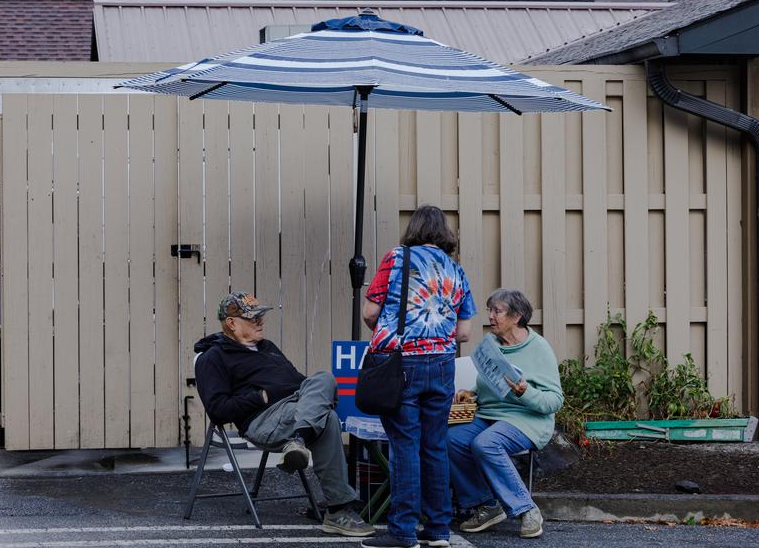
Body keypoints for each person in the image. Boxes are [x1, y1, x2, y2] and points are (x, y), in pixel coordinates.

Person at [194, 292, 374, 538]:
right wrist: (262, 397)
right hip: (263, 419)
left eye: (261, 316)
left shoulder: (267, 348)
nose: (260, 321)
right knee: (326, 410)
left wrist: (306, 393)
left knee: (323, 381)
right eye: (253, 318)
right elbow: (217, 410)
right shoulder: (213, 357)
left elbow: (298, 382)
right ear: (232, 323)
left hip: (295, 411)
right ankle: (338, 508)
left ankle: (300, 445)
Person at [360, 205, 476, 548]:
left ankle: (403, 531)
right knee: (435, 447)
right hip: (442, 365)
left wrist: (387, 328)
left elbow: (370, 311)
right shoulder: (456, 270)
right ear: (444, 234)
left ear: (414, 229)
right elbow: (465, 333)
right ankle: (439, 529)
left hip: (402, 363)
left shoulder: (396, 259)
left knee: (405, 446)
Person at [448, 289, 564, 539]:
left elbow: (554, 401)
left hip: (526, 418)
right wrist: (471, 393)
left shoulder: (538, 348)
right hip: (490, 415)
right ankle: (486, 505)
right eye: (490, 310)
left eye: (497, 311)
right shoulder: (492, 344)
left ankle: (527, 509)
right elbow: (486, 383)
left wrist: (525, 392)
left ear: (517, 316)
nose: (490, 316)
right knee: (452, 439)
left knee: (486, 443)